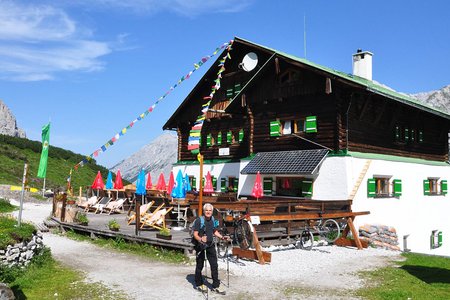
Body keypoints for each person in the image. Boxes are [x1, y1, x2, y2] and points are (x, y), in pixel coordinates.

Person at [193, 203, 229, 295]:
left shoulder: (213, 219)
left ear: (212, 212)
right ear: (204, 211)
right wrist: (201, 239)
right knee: (200, 265)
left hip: (210, 244)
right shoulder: (199, 221)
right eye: (206, 210)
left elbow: (214, 231)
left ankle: (216, 285)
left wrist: (222, 237)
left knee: (214, 265)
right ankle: (199, 283)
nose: (208, 212)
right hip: (200, 245)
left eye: (210, 210)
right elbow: (195, 234)